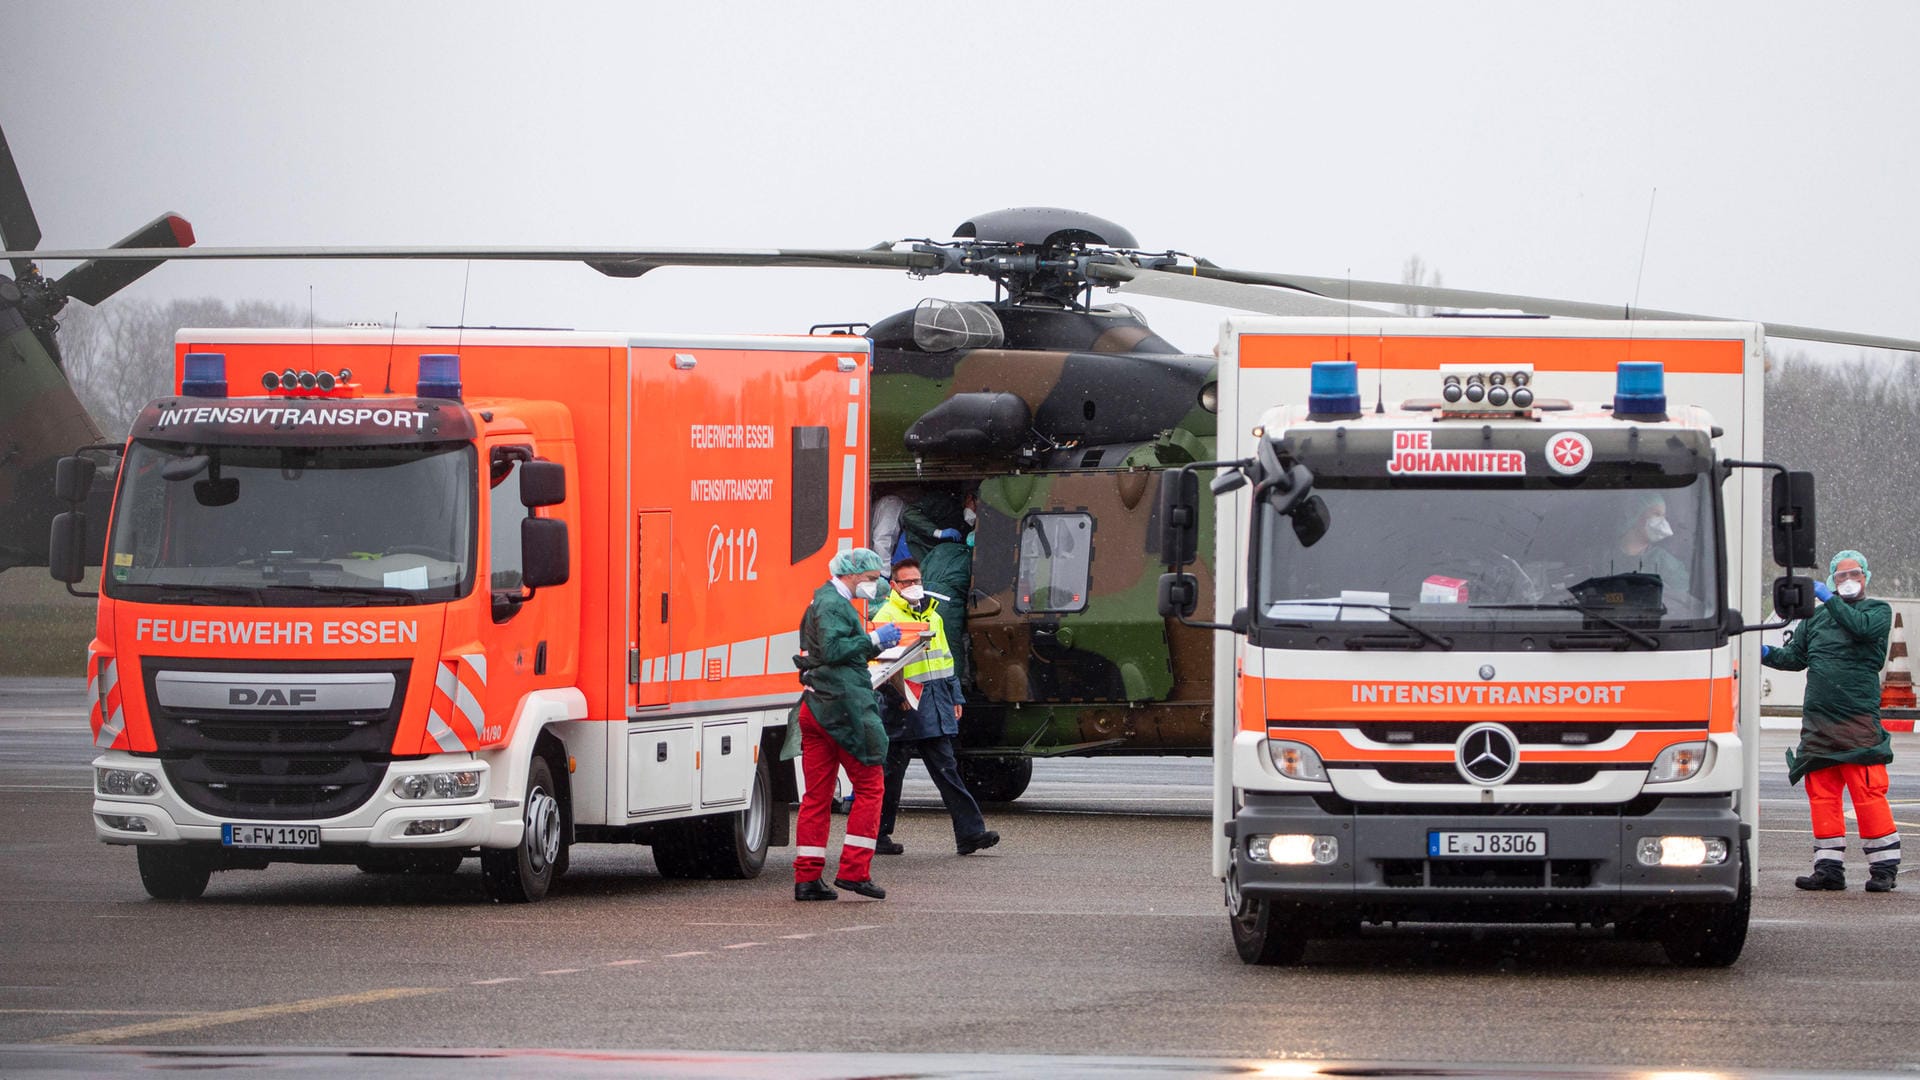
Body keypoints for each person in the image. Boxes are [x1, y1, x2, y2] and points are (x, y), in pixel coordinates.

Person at [1761, 549, 1899, 892]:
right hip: (1819, 724)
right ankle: (1828, 868)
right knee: (1822, 795)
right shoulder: (1815, 619)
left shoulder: (1876, 611)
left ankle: (1883, 868)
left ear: (1866, 577)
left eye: (1855, 575)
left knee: (1867, 791)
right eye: (1841, 577)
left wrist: (1827, 598)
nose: (1848, 581)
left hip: (1857, 720)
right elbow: (1795, 658)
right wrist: (1762, 653)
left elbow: (1860, 628)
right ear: (1833, 580)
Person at [785, 547, 899, 901]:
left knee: (816, 797)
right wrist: (874, 641)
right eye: (869, 579)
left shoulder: (819, 601)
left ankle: (807, 879)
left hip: (815, 707)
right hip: (845, 709)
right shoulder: (835, 604)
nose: (873, 585)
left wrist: (866, 645)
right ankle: (854, 871)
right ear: (851, 575)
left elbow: (824, 652)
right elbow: (835, 650)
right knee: (870, 787)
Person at [870, 558, 999, 857]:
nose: (914, 587)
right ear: (894, 586)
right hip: (903, 708)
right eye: (906, 583)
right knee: (892, 777)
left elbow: (946, 662)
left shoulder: (933, 616)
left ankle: (970, 833)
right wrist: (895, 697)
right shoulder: (887, 616)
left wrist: (955, 697)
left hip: (929, 705)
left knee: (943, 771)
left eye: (916, 581)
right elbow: (880, 668)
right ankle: (877, 836)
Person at [1604, 491, 1691, 601]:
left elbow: (1685, 600)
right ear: (1635, 514)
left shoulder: (1663, 560)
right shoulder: (1602, 556)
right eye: (1657, 514)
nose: (1662, 522)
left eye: (1664, 516)